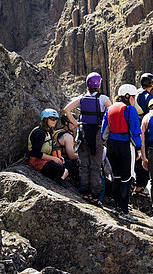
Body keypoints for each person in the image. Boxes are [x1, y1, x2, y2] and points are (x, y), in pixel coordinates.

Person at [64, 72, 111, 207]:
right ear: (99, 85)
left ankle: (84, 192)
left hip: (83, 132)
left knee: (84, 164)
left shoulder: (81, 98)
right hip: (96, 133)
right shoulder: (103, 99)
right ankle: (95, 196)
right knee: (95, 166)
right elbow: (112, 112)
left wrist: (75, 123)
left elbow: (66, 110)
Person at [101, 83, 142, 220]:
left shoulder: (110, 109)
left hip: (112, 146)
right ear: (127, 96)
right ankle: (124, 211)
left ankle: (117, 208)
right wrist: (138, 148)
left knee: (116, 177)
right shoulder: (130, 110)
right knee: (127, 178)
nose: (134, 100)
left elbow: (103, 133)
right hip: (125, 146)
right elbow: (135, 132)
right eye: (133, 97)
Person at [28, 109, 68, 183]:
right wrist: (53, 159)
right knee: (59, 169)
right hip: (36, 161)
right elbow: (36, 153)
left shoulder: (48, 132)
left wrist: (58, 158)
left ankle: (61, 177)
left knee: (67, 164)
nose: (55, 121)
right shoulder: (39, 133)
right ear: (45, 119)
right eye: (52, 118)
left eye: (56, 119)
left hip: (45, 159)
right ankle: (61, 179)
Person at [133, 72, 153, 197]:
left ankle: (133, 184)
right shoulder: (148, 96)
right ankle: (140, 186)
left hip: (133, 129)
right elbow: (151, 114)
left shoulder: (134, 93)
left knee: (135, 157)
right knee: (144, 158)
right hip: (144, 130)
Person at [52, 113, 79, 181]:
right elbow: (71, 156)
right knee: (77, 162)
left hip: (53, 158)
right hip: (60, 161)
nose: (76, 126)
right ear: (66, 123)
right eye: (73, 123)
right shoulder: (68, 136)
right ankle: (63, 178)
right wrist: (84, 156)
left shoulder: (57, 131)